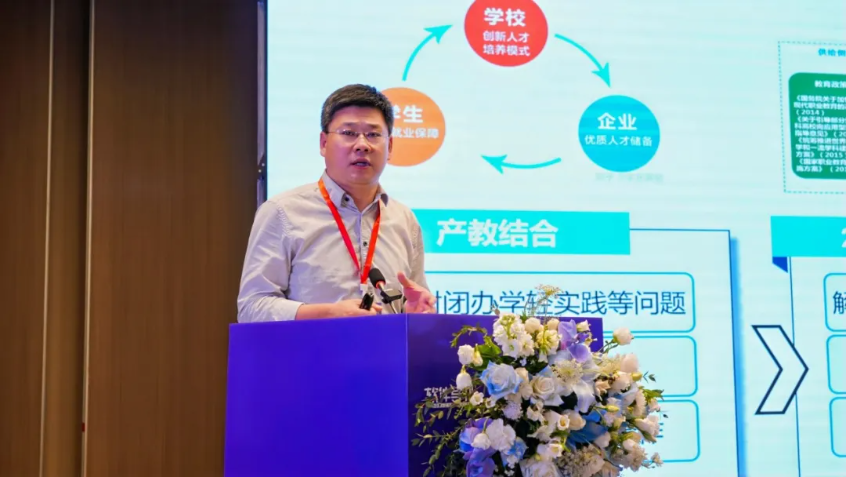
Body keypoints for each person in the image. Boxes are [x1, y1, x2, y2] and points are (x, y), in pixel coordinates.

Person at [237, 84, 437, 322]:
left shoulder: (404, 220)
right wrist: (329, 314)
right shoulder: (282, 213)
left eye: (373, 135)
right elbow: (252, 308)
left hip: (385, 348)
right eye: (349, 133)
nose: (362, 144)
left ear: (390, 146)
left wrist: (417, 316)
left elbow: (416, 304)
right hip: (312, 348)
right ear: (323, 143)